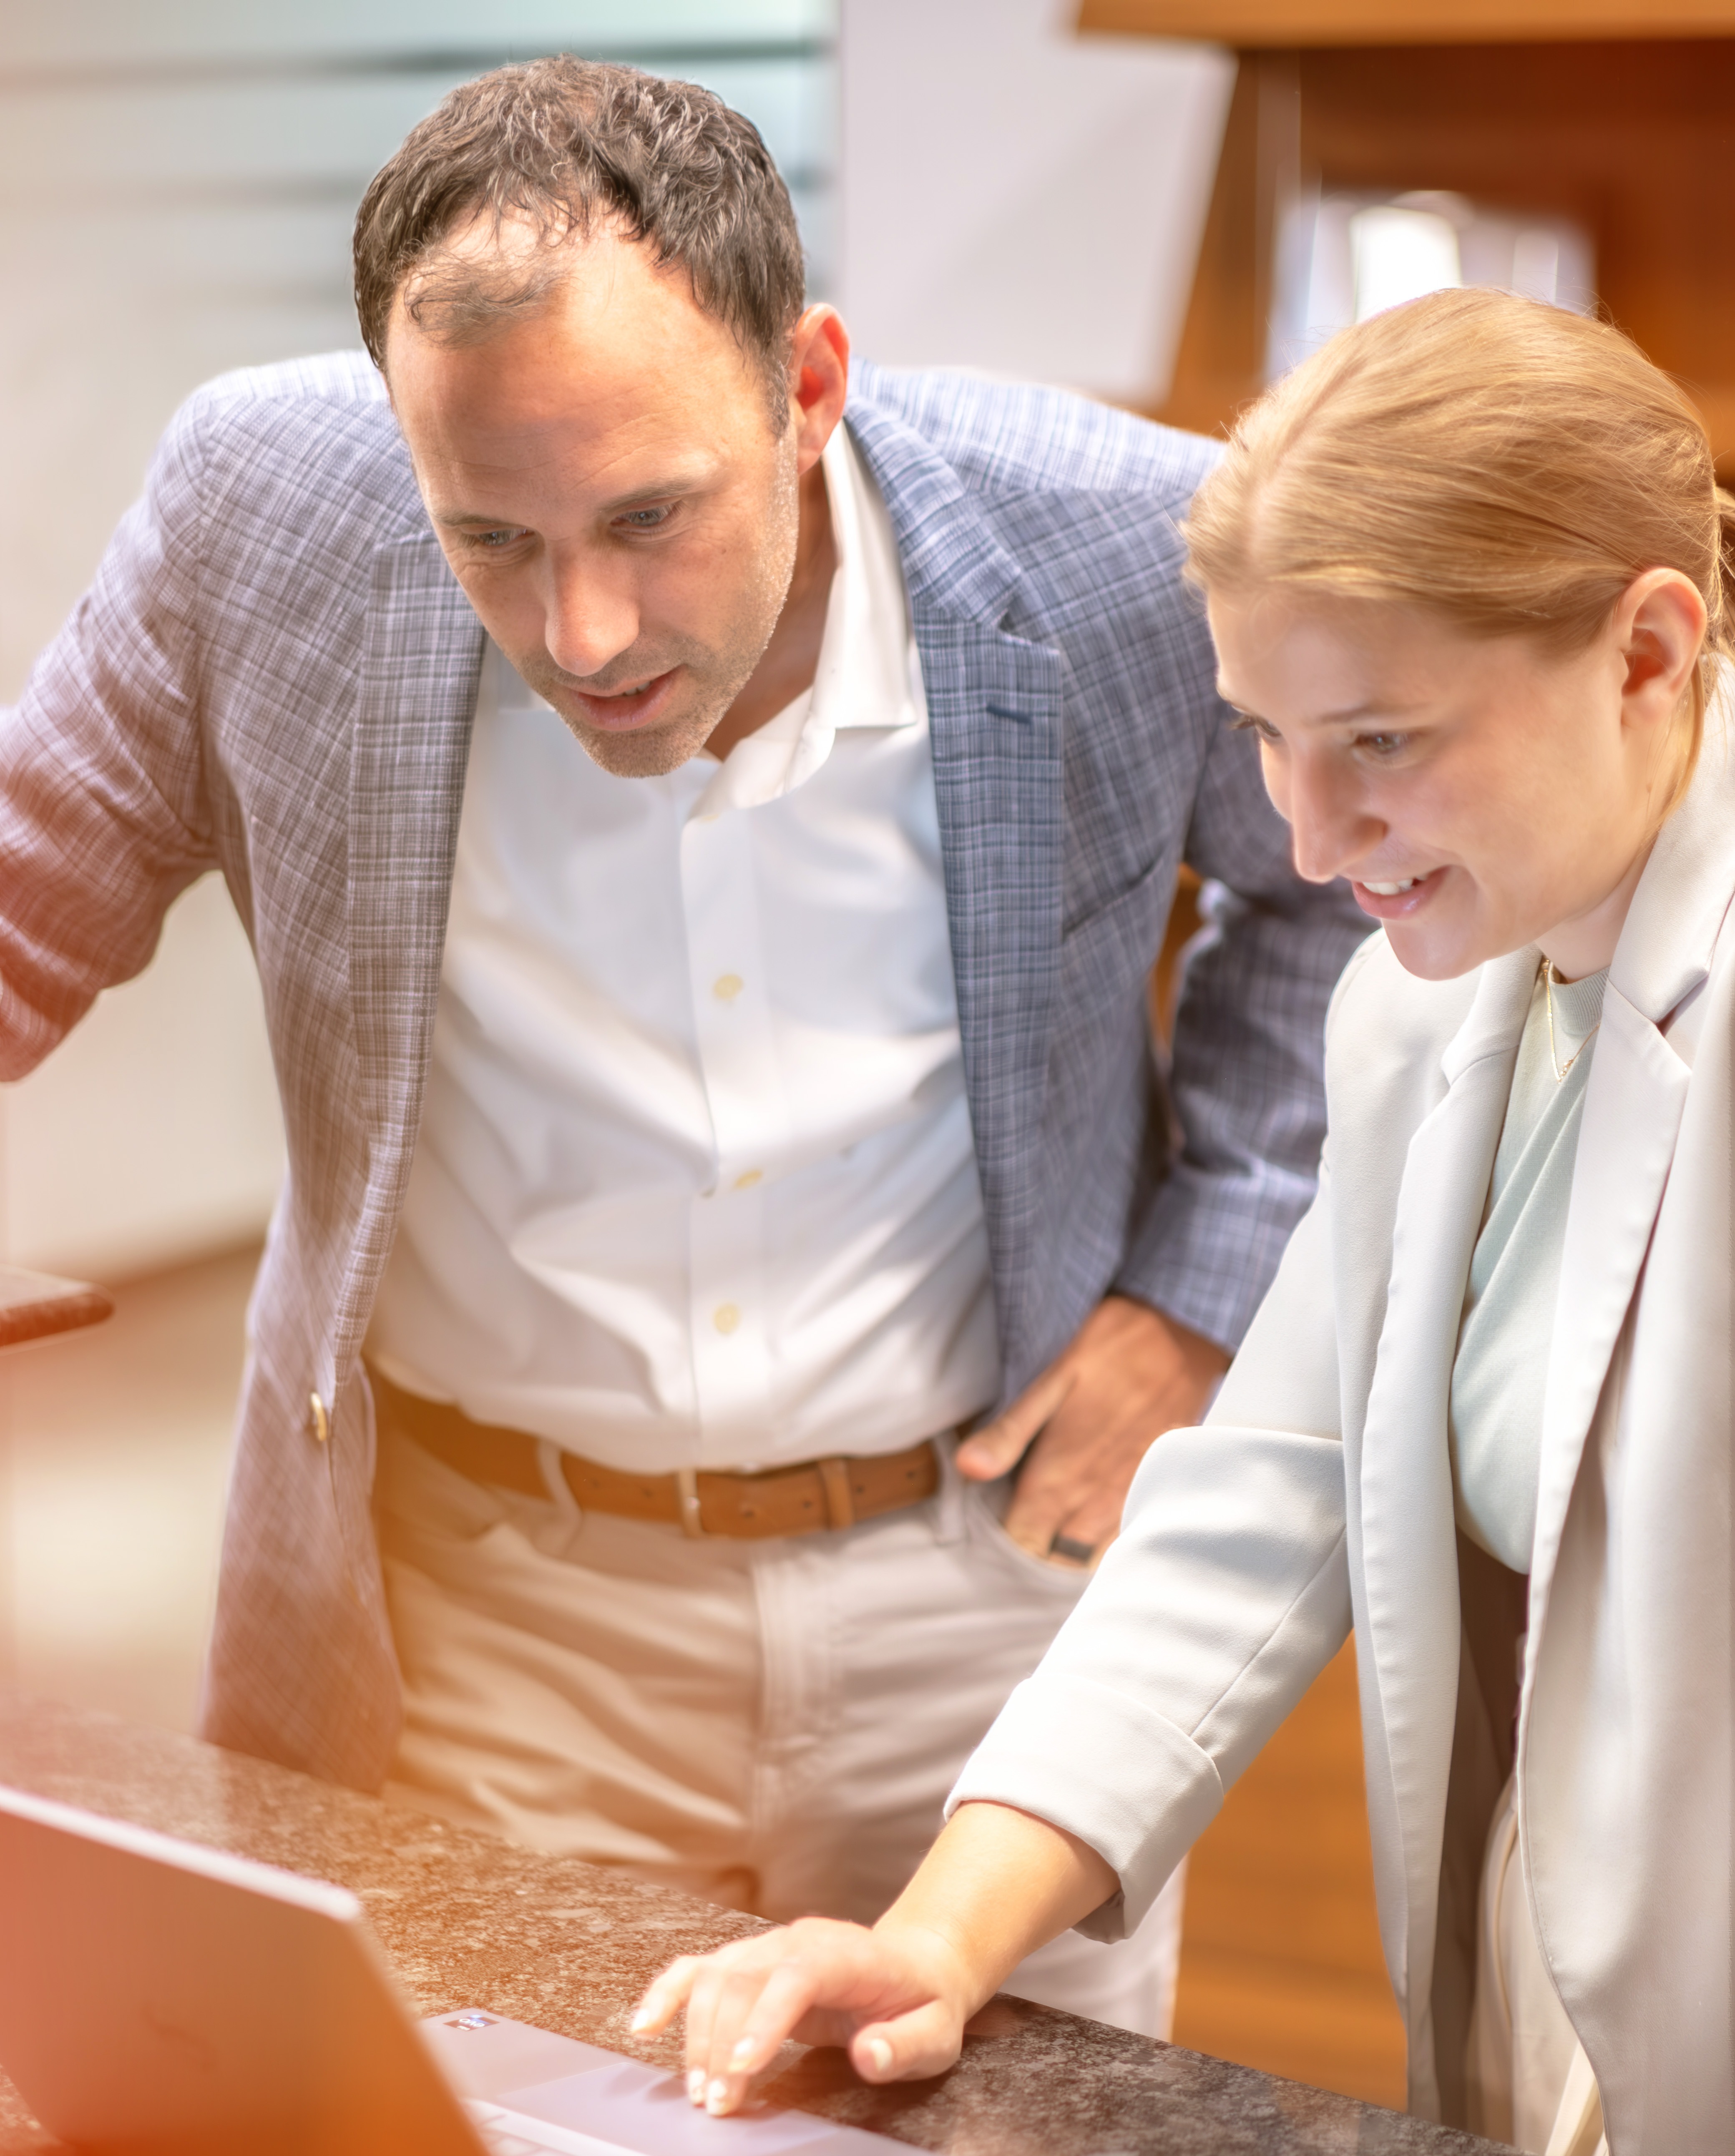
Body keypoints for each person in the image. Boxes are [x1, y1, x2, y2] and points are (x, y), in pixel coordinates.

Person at [0, 60, 1362, 2038]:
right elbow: (30, 895)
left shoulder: (1117, 545)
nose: (584, 629)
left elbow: (1330, 884)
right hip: (477, 1616)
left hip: (975, 1585)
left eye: (651, 514)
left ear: (807, 389)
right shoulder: (259, 507)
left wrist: (1201, 1288)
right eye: (491, 536)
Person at [636, 286, 1735, 2156]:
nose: (1306, 841)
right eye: (1264, 739)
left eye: (1378, 740)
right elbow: (1264, 1490)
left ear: (1646, 647)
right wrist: (936, 1937)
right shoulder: (1428, 1001)